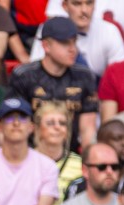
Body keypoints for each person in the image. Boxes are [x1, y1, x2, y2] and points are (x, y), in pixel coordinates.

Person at [9, 16, 98, 149]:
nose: (72, 49)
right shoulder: (24, 76)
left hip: (71, 154)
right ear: (46, 46)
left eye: (74, 42)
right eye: (65, 43)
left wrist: (87, 165)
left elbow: (88, 130)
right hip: (30, 153)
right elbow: (16, 124)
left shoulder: (84, 76)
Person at [27, 0, 124, 79]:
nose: (84, 10)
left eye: (89, 3)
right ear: (65, 6)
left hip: (98, 93)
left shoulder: (109, 31)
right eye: (77, 3)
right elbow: (35, 73)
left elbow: (120, 77)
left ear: (95, 4)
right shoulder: (49, 29)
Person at [31, 101, 82, 205]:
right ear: (38, 129)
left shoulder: (80, 165)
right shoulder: (26, 161)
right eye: (50, 123)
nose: (57, 127)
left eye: (62, 123)